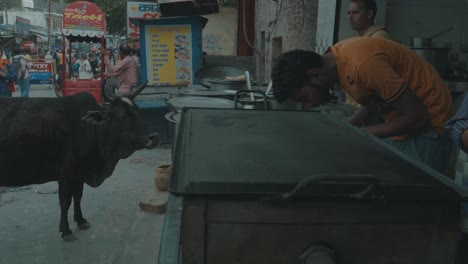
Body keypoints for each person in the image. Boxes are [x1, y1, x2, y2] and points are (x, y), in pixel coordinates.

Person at [271, 37, 453, 174]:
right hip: (408, 129)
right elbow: (377, 99)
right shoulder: (337, 61)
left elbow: (417, 117)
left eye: (304, 98)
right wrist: (347, 128)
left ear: (314, 76)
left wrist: (358, 135)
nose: (309, 106)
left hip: (428, 134)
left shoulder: (362, 65)